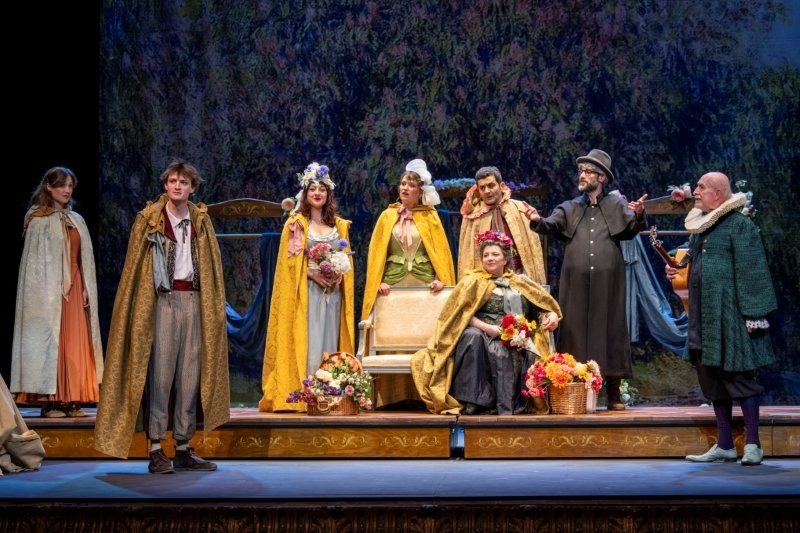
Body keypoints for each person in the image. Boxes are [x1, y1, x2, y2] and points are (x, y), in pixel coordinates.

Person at [94, 159, 229, 474]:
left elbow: (211, 268)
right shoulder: (150, 219)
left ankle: (183, 446)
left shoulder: (201, 220)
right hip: (163, 302)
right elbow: (136, 270)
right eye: (172, 181)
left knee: (189, 378)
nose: (177, 186)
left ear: (192, 187)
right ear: (165, 185)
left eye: (183, 182)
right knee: (161, 376)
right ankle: (155, 447)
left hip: (193, 300)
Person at [522, 149, 647, 410]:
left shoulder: (616, 205)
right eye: (581, 171)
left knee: (610, 328)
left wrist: (638, 215)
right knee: (574, 329)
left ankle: (613, 394)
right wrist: (536, 220)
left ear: (602, 177)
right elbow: (550, 224)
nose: (583, 175)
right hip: (575, 283)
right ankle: (573, 391)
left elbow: (631, 229)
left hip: (608, 283)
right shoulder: (570, 207)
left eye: (589, 171)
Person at [666, 172, 776, 466]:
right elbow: (688, 261)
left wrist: (754, 315)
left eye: (701, 187)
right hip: (703, 316)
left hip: (730, 318)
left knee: (740, 380)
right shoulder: (702, 227)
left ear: (717, 194)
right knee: (712, 382)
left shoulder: (740, 226)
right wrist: (676, 269)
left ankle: (753, 444)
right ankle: (725, 445)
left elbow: (753, 271)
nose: (695, 191)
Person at [411, 230, 562, 415]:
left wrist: (551, 315)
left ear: (505, 259)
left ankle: (506, 404)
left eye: (495, 254)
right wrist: (487, 328)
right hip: (482, 330)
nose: (490, 258)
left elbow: (540, 307)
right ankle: (472, 401)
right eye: (486, 255)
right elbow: (462, 313)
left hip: (516, 334)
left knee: (509, 349)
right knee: (472, 338)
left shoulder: (520, 282)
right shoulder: (473, 281)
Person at [258, 162, 355, 413]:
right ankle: (308, 392)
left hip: (332, 294)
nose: (317, 193)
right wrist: (312, 273)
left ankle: (330, 393)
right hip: (307, 293)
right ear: (305, 193)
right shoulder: (297, 223)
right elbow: (289, 264)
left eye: (322, 189)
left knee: (330, 340)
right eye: (312, 189)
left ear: (328, 194)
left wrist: (339, 272)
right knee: (309, 340)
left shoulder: (339, 226)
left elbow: (345, 257)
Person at [361, 159, 456, 407]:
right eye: (403, 184)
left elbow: (440, 253)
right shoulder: (387, 216)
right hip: (393, 284)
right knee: (393, 338)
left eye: (411, 185)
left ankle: (423, 395)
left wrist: (441, 280)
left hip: (423, 284)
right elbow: (377, 254)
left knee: (423, 336)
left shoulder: (430, 217)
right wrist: (378, 281)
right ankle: (392, 396)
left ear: (420, 191)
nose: (405, 188)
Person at [10, 167, 103, 418]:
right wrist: (45, 290)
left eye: (70, 186)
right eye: (62, 185)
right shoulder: (37, 220)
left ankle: (72, 401)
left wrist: (86, 287)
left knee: (74, 344)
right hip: (48, 292)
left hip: (74, 288)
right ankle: (50, 403)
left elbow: (84, 259)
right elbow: (34, 266)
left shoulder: (77, 219)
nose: (67, 190)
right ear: (49, 187)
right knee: (52, 344)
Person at [457, 166, 547, 284]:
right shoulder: (472, 217)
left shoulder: (519, 208)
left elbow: (532, 249)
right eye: (482, 188)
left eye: (491, 185)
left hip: (519, 277)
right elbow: (467, 257)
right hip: (484, 283)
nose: (487, 191)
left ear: (501, 185)